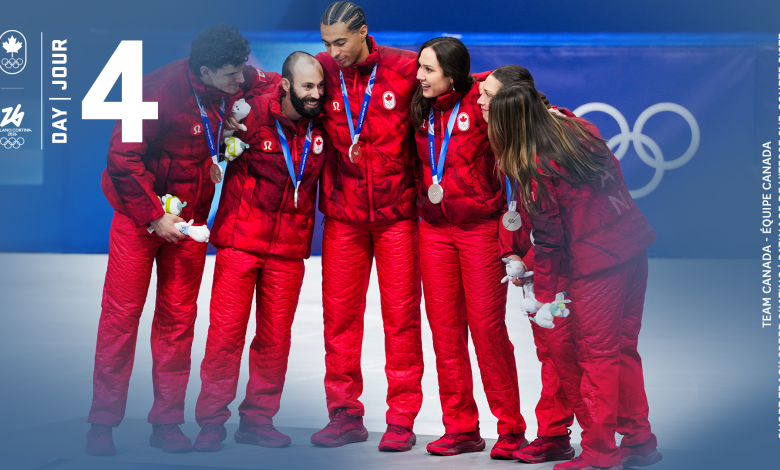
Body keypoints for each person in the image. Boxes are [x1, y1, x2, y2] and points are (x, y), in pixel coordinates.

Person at [86, 23, 279, 456]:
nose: (240, 82)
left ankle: (167, 423)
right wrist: (155, 218)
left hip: (190, 223)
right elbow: (121, 158)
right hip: (140, 221)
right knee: (120, 320)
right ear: (205, 71)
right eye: (231, 75)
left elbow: (276, 80)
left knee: (178, 323)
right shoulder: (152, 91)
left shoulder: (235, 79)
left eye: (242, 72)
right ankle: (101, 424)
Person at [488, 83, 661, 470]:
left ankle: (600, 454)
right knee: (622, 350)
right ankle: (640, 441)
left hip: (597, 269)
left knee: (595, 358)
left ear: (507, 127)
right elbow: (562, 116)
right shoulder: (582, 130)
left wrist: (545, 298)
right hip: (633, 250)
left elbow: (549, 242)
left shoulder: (536, 168)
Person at [192, 52, 329, 452]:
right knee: (224, 337)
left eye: (320, 87)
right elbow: (227, 75)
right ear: (285, 84)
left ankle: (258, 420)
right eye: (307, 86)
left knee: (274, 340)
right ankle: (211, 421)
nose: (315, 94)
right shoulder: (248, 111)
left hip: (288, 249)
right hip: (240, 243)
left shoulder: (323, 124)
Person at [312, 1, 424, 452]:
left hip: (397, 217)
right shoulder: (321, 69)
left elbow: (460, 83)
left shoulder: (404, 67)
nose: (333, 51)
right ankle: (344, 415)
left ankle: (401, 418)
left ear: (363, 33)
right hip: (343, 218)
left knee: (401, 320)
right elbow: (273, 89)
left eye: (340, 41)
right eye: (326, 43)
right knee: (339, 320)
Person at [411, 37, 527, 459]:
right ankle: (460, 427)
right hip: (435, 231)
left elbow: (512, 88)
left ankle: (511, 427)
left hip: (480, 229)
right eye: (419, 67)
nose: (419, 75)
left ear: (453, 75)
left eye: (428, 69)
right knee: (445, 332)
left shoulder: (481, 104)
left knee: (486, 328)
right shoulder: (420, 103)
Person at [479, 65, 579, 464]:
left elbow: (565, 221)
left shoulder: (553, 142)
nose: (481, 101)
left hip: (562, 263)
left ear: (514, 101)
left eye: (488, 94)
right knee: (547, 349)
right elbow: (515, 206)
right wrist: (511, 251)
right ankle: (559, 433)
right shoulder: (511, 136)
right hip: (535, 262)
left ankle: (570, 433)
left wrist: (532, 258)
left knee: (562, 349)